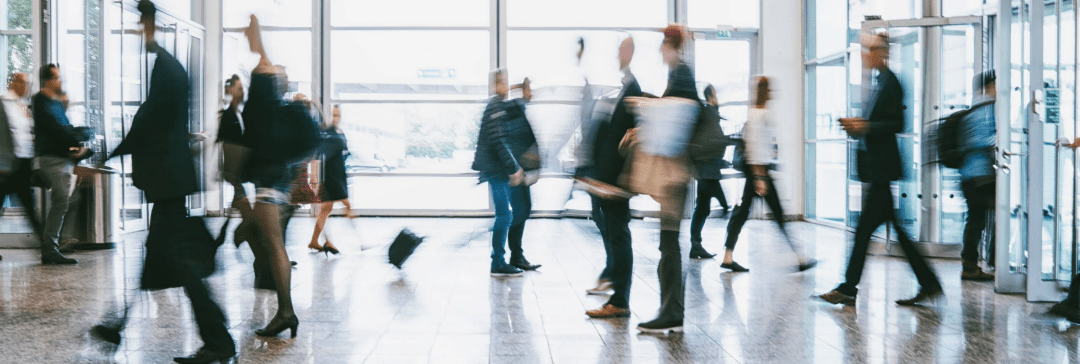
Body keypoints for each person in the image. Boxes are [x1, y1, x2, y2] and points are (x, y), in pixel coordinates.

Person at [96, 2, 236, 363]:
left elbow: (151, 123)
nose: (136, 36)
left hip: (169, 183)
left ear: (148, 24)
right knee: (159, 257)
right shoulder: (169, 66)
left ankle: (219, 343)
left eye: (139, 27)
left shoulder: (166, 69)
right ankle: (119, 324)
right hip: (171, 183)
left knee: (185, 267)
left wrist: (112, 153)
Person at [818, 33, 943, 306]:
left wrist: (865, 126)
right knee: (888, 230)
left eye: (871, 50)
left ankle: (849, 288)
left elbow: (898, 124)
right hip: (878, 170)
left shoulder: (892, 82)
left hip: (882, 169)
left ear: (882, 52)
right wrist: (858, 126)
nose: (866, 54)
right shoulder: (880, 82)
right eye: (866, 49)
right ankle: (929, 283)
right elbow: (879, 123)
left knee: (865, 231)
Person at [630, 24, 696, 333]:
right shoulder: (680, 75)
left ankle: (672, 312)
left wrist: (643, 106)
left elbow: (674, 124)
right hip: (676, 175)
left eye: (662, 46)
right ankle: (671, 310)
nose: (659, 52)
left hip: (675, 176)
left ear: (670, 47)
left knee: (669, 244)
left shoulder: (681, 74)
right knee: (667, 244)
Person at [239, 15, 300, 338]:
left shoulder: (265, 104)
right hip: (275, 183)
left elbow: (265, 63)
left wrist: (257, 36)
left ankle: (286, 311)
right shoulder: (276, 109)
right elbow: (266, 64)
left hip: (269, 185)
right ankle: (285, 310)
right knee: (271, 243)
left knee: (274, 246)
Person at [719, 76, 816, 273]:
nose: (772, 93)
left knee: (741, 215)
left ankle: (728, 256)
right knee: (777, 215)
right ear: (765, 91)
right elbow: (754, 149)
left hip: (758, 175)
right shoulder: (758, 115)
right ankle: (800, 258)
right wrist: (760, 178)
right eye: (769, 89)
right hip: (760, 175)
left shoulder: (758, 113)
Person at [584, 36, 640, 319]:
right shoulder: (623, 88)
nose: (619, 54)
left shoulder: (632, 88)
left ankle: (620, 301)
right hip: (609, 180)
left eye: (623, 49)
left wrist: (614, 180)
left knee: (618, 237)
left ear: (630, 52)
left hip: (617, 182)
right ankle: (617, 294)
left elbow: (628, 140)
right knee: (615, 235)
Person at [472, 69, 539, 277]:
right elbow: (499, 141)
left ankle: (503, 258)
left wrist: (518, 89)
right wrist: (514, 168)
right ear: (494, 86)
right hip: (495, 169)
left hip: (498, 168)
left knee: (507, 214)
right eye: (501, 83)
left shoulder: (499, 105)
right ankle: (498, 262)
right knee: (505, 215)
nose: (505, 87)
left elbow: (515, 106)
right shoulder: (495, 107)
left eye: (506, 83)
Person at [32, 64, 86, 265]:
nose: (60, 81)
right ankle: (50, 249)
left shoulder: (55, 103)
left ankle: (58, 241)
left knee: (72, 198)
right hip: (51, 160)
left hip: (63, 160)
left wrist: (77, 136)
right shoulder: (41, 100)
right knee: (62, 199)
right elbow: (60, 131)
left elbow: (67, 129)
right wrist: (79, 135)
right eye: (57, 78)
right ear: (47, 80)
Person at [0, 73, 46, 263]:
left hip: (23, 165)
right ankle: (48, 247)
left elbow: (26, 135)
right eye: (26, 83)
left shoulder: (22, 105)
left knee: (30, 208)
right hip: (5, 168)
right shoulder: (2, 103)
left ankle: (48, 248)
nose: (28, 87)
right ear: (15, 83)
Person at [957, 71, 996, 281]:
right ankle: (980, 264)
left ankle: (971, 264)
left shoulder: (974, 108)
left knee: (975, 219)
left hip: (967, 174)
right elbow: (984, 140)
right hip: (981, 174)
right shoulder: (989, 110)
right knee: (982, 219)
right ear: (990, 86)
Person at [687, 84, 727, 260]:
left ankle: (696, 245)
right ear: (711, 97)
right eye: (716, 95)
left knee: (702, 208)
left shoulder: (710, 115)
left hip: (707, 168)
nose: (717, 99)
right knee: (705, 207)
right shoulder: (709, 113)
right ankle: (696, 244)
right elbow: (713, 140)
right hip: (707, 169)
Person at [307, 104, 354, 254]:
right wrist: (314, 176)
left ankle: (315, 241)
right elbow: (317, 155)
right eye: (333, 115)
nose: (336, 118)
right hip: (331, 177)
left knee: (326, 210)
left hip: (339, 176)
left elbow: (344, 153)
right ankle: (327, 240)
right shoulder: (327, 132)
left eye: (338, 115)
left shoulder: (340, 132)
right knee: (345, 205)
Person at [216, 74, 247, 245]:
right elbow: (227, 146)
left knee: (240, 205)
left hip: (239, 172)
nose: (242, 92)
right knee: (248, 210)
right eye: (239, 88)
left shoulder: (239, 114)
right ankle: (238, 232)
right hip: (236, 170)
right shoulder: (229, 116)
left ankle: (228, 232)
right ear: (231, 90)